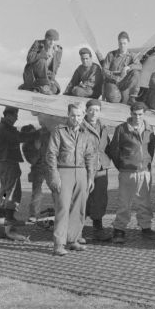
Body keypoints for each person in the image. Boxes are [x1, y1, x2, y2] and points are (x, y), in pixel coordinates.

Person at [46, 103, 97, 256]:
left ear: (83, 116)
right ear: (68, 115)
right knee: (62, 208)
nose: (76, 118)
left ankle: (73, 240)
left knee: (79, 208)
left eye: (79, 115)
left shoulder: (86, 134)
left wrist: (90, 177)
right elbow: (51, 154)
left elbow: (90, 156)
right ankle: (59, 243)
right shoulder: (59, 131)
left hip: (81, 173)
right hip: (64, 171)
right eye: (73, 115)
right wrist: (54, 176)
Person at [109, 102, 155, 244]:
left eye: (140, 114)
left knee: (144, 201)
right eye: (134, 114)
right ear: (130, 113)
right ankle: (119, 229)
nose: (137, 117)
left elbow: (151, 148)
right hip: (127, 171)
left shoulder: (149, 129)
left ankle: (146, 227)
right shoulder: (121, 129)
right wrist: (122, 164)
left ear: (144, 114)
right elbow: (113, 149)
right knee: (124, 202)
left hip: (144, 171)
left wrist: (147, 163)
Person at [0, 107, 32, 224]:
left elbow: (17, 136)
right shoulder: (5, 128)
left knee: (5, 190)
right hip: (9, 164)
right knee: (12, 190)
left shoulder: (1, 127)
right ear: (8, 115)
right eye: (15, 115)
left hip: (4, 164)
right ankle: (8, 217)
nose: (17, 118)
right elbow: (18, 138)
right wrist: (37, 134)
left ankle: (2, 213)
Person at [81, 99, 113, 241]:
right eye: (91, 110)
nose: (94, 113)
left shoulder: (104, 128)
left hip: (101, 168)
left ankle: (98, 228)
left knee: (100, 198)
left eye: (97, 110)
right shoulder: (79, 126)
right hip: (83, 168)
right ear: (86, 111)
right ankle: (77, 229)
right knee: (81, 198)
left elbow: (109, 148)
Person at [102, 31, 142, 104]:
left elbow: (139, 66)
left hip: (124, 82)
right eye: (120, 43)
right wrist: (114, 77)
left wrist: (128, 67)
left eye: (124, 43)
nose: (122, 45)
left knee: (136, 73)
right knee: (114, 100)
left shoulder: (132, 55)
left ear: (128, 43)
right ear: (118, 43)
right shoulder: (111, 54)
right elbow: (104, 70)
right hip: (112, 81)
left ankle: (132, 97)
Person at [20, 124, 50, 222]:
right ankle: (33, 214)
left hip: (50, 166)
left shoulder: (43, 136)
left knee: (57, 190)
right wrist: (37, 148)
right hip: (38, 168)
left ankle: (61, 211)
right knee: (37, 192)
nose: (36, 135)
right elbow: (32, 160)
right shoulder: (26, 146)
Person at [20, 29, 63, 95]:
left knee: (55, 89)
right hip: (34, 74)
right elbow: (29, 58)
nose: (52, 42)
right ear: (45, 38)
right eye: (50, 40)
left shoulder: (58, 50)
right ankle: (42, 86)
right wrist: (43, 54)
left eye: (54, 40)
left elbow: (56, 66)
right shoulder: (37, 43)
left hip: (47, 75)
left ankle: (37, 88)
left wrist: (52, 79)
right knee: (42, 61)